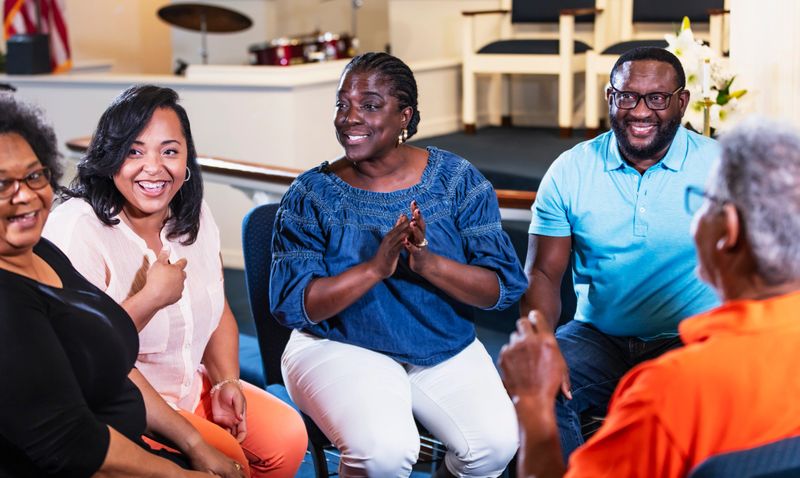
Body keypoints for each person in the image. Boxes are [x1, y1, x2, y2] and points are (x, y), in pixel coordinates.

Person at [270, 52, 527, 478]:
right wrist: (374, 267)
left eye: (369, 105)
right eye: (342, 104)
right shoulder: (311, 195)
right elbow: (295, 305)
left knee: (496, 445)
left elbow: (500, 288)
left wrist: (427, 264)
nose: (349, 118)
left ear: (405, 115)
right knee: (385, 452)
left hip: (439, 342)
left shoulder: (456, 181)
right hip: (338, 344)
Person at [500, 117, 800, 477]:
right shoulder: (572, 167)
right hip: (600, 335)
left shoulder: (669, 395)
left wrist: (532, 405)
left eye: (703, 202)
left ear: (729, 231)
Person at [43, 85, 307, 478]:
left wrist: (225, 382)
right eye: (134, 151)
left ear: (186, 159)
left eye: (169, 151)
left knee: (287, 439)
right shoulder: (76, 227)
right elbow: (84, 354)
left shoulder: (192, 212)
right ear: (108, 156)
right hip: (125, 402)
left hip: (189, 387)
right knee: (226, 455)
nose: (154, 167)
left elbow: (218, 310)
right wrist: (150, 298)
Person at [0, 94, 246, 477]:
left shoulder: (44, 253)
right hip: (98, 456)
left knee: (270, 443)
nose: (26, 195)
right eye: (2, 184)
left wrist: (195, 441)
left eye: (34, 176)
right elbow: (72, 444)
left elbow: (111, 364)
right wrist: (182, 472)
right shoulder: (12, 297)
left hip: (137, 429)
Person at [520, 46, 720, 458]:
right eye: (627, 96)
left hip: (689, 338)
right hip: (599, 337)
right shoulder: (570, 170)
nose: (640, 111)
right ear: (611, 98)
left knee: (698, 410)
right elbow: (541, 275)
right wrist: (542, 347)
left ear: (681, 102)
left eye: (657, 98)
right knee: (537, 388)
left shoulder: (719, 167)